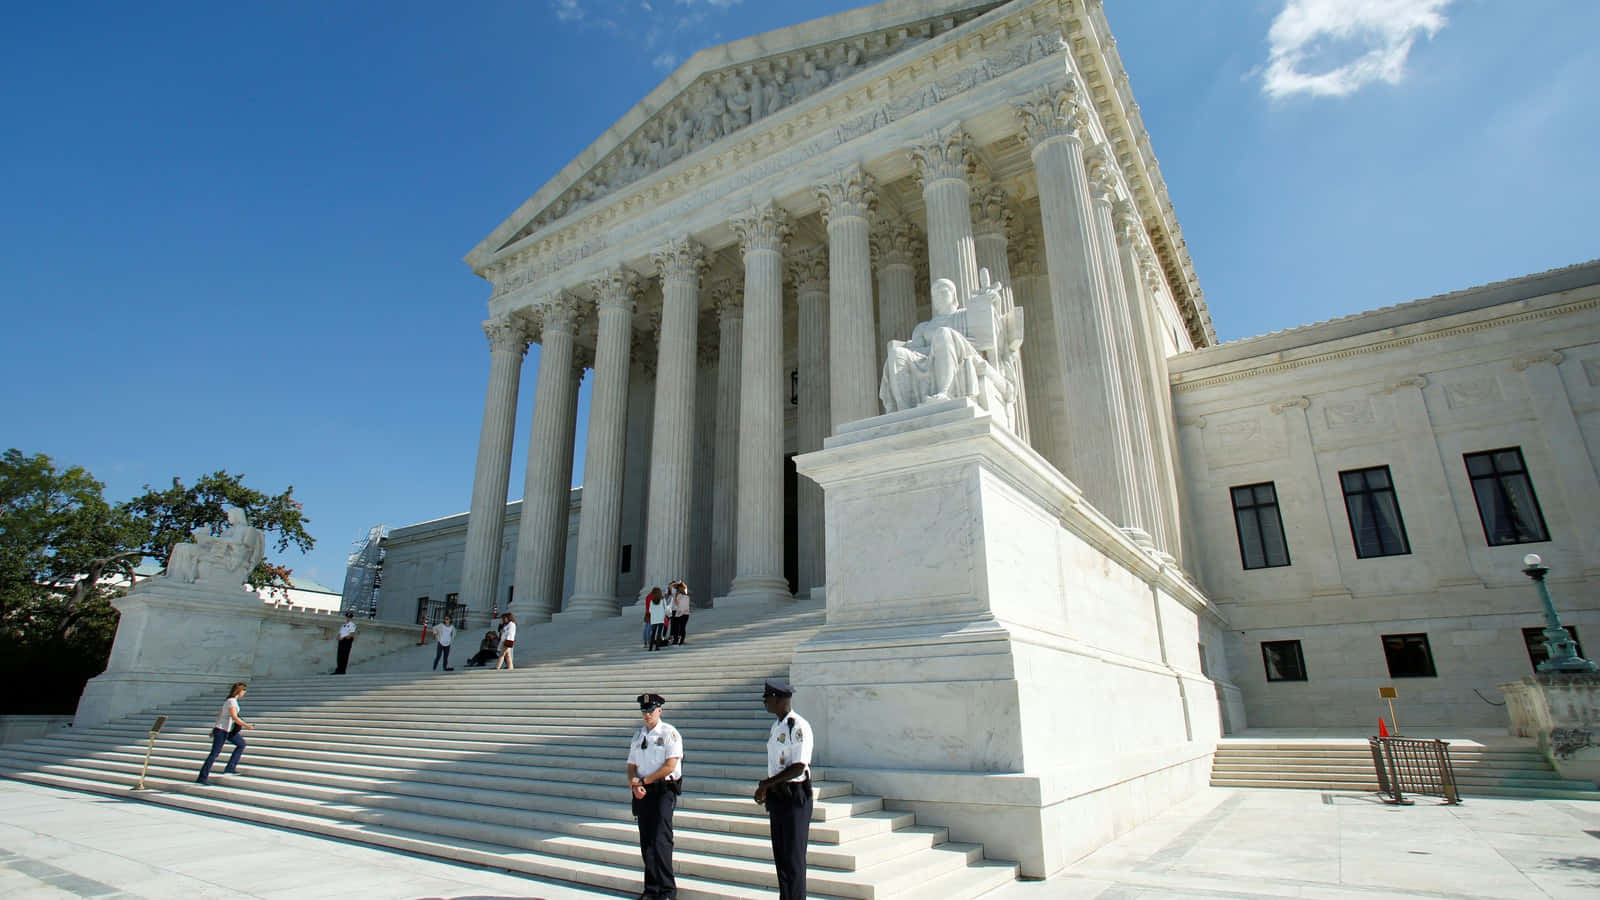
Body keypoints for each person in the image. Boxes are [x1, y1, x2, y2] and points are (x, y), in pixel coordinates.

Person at [755, 678, 813, 900]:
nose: (765, 702)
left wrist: (766, 784)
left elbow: (799, 767)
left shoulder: (797, 726)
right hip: (778, 796)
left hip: (794, 796)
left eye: (767, 699)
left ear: (779, 700)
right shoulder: (777, 726)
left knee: (793, 859)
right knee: (782, 858)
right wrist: (768, 787)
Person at [627, 692, 683, 900]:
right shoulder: (638, 735)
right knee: (646, 842)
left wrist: (644, 782)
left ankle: (667, 891)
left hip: (663, 791)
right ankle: (651, 890)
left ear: (660, 710)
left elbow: (670, 765)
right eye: (644, 711)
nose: (647, 714)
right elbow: (631, 765)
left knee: (661, 841)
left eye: (651, 710)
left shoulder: (669, 733)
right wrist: (634, 783)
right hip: (643, 792)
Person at [196, 682, 254, 784]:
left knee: (241, 744)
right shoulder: (231, 701)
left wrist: (214, 728)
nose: (244, 692)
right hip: (222, 730)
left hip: (227, 730)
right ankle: (202, 778)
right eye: (244, 690)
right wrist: (247, 726)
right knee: (214, 753)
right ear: (239, 690)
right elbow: (234, 717)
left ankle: (230, 768)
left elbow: (220, 715)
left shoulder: (230, 701)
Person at [668, 581, 691, 646]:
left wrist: (678, 583)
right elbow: (685, 587)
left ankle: (677, 639)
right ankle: (678, 640)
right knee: (678, 626)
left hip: (677, 610)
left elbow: (670, 586)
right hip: (677, 611)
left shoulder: (677, 592)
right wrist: (679, 583)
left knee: (677, 626)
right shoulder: (679, 591)